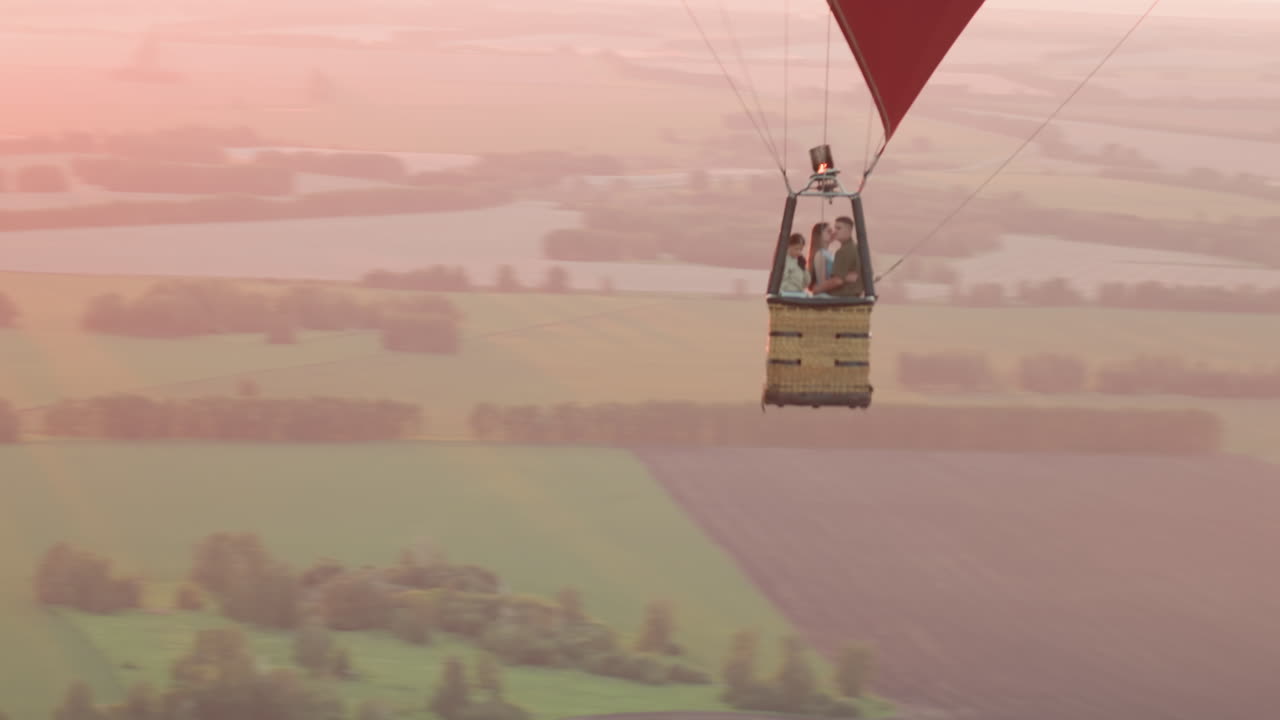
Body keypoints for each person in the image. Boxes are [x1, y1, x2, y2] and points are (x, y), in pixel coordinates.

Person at [811, 215, 864, 297]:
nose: (834, 232)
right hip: (848, 295)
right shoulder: (856, 248)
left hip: (841, 295)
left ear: (849, 230)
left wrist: (817, 289)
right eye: (831, 230)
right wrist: (845, 277)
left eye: (838, 228)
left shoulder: (842, 251)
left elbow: (838, 279)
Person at [807, 221, 835, 293]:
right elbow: (821, 282)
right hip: (824, 296)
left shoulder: (830, 254)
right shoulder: (820, 254)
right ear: (819, 235)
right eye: (829, 231)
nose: (832, 234)